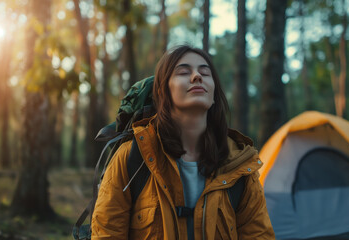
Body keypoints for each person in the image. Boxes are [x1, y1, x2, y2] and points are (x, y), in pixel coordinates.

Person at [91, 45, 275, 239]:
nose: (197, 76)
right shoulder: (132, 157)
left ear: (214, 94)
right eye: (183, 72)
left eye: (205, 72)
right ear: (164, 92)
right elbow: (106, 234)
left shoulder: (241, 166)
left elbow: (259, 235)